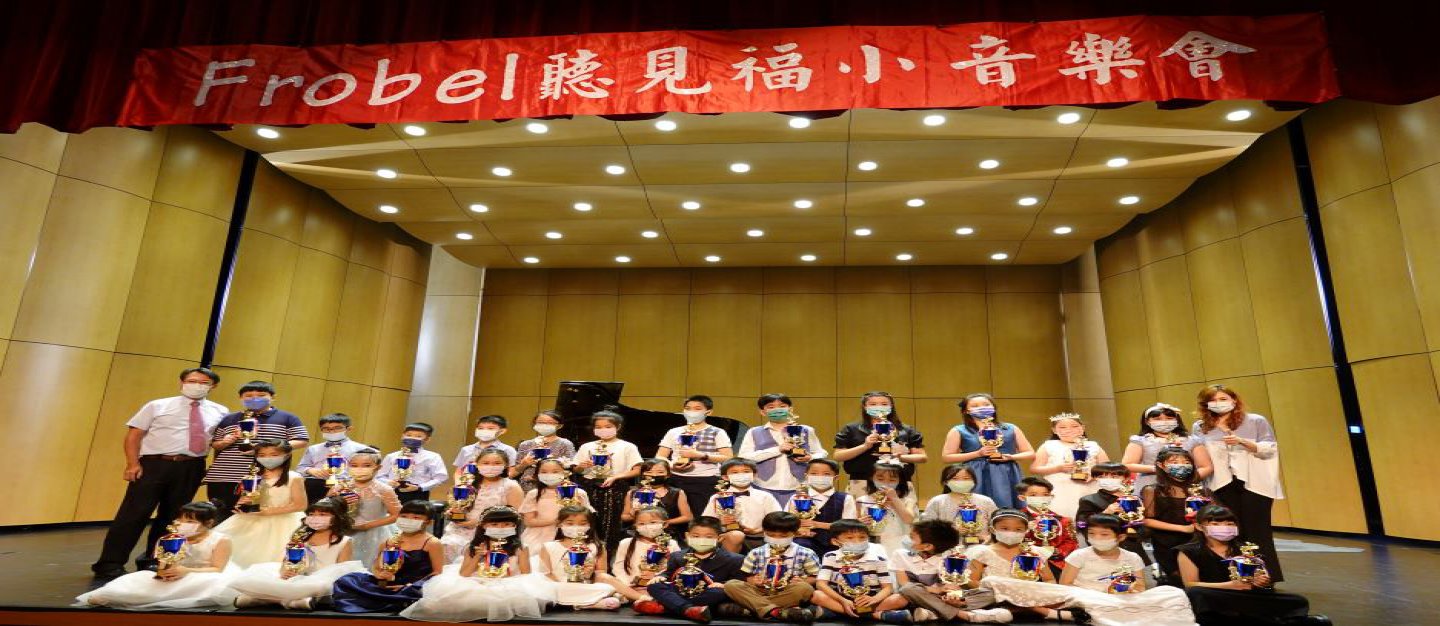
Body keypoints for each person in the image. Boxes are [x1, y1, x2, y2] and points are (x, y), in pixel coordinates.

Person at [92, 367, 228, 579]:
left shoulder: (220, 411)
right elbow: (134, 436)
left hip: (191, 466)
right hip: (154, 464)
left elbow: (218, 442)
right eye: (192, 381)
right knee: (133, 514)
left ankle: (155, 560)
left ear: (213, 386)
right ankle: (110, 563)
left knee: (173, 517)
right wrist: (132, 464)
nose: (197, 386)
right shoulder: (157, 405)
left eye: (204, 383)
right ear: (182, 382)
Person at [986, 514, 1197, 626]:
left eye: (1104, 535)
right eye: (1092, 534)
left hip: (1120, 596)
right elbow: (1066, 586)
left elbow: (1140, 584)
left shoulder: (1132, 557)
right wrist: (1097, 592)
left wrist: (1128, 589)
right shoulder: (1080, 555)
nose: (1097, 538)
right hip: (1085, 594)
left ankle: (1089, 613)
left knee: (1172, 592)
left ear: (1120, 537)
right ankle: (1075, 613)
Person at [1188, 385, 1285, 581]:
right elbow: (1198, 453)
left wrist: (1242, 441)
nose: (1218, 403)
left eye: (1223, 399)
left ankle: (1265, 576)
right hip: (1219, 483)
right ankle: (1234, 575)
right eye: (1213, 400)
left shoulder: (1255, 420)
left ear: (1234, 400)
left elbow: (1269, 448)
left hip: (1254, 483)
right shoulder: (1200, 426)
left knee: (1258, 531)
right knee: (1228, 530)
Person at [1178, 505, 1329, 625]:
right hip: (1216, 595)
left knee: (1297, 600)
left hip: (1247, 596)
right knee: (1197, 594)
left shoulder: (1246, 548)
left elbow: (1261, 576)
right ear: (1199, 527)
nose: (1224, 527)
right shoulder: (1189, 551)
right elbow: (1190, 584)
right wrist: (1230, 585)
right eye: (1215, 524)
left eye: (1229, 523)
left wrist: (1262, 581)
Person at [400, 505, 553, 622]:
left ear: (515, 526)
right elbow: (464, 574)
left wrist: (502, 582)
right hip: (477, 581)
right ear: (484, 526)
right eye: (494, 525)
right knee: (447, 602)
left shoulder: (521, 547)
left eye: (507, 524)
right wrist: (477, 557)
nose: (500, 528)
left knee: (502, 600)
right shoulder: (473, 547)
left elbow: (525, 573)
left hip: (509, 583)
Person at [78, 500, 236, 609]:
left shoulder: (220, 540)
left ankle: (135, 599)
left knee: (207, 584)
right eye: (180, 520)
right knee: (139, 579)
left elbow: (217, 568)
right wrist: (165, 572)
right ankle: (114, 596)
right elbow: (164, 564)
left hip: (203, 574)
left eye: (190, 522)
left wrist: (186, 571)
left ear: (208, 523)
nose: (182, 525)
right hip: (177, 574)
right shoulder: (170, 539)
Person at [229, 497, 365, 610]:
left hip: (322, 579)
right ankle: (292, 601)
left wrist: (320, 578)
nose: (316, 518)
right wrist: (285, 572)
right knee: (258, 576)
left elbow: (341, 569)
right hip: (298, 575)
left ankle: (262, 599)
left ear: (336, 518)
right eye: (312, 514)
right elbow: (287, 561)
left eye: (323, 515)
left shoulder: (344, 541)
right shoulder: (300, 537)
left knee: (320, 586)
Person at [204, 381, 309, 517]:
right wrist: (226, 441)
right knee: (221, 514)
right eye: (249, 396)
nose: (254, 399)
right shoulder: (229, 419)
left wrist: (266, 447)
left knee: (254, 515)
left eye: (261, 395)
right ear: (241, 398)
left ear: (273, 397)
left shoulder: (288, 418)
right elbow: (215, 444)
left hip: (265, 476)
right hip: (224, 475)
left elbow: (302, 440)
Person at [332, 500, 445, 613]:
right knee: (348, 580)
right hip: (388, 585)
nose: (408, 520)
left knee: (411, 594)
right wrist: (381, 575)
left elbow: (437, 572)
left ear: (428, 522)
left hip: (413, 588)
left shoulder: (432, 543)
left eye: (416, 517)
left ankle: (393, 600)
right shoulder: (388, 542)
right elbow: (377, 567)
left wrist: (411, 586)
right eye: (404, 516)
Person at [889, 518, 1009, 623]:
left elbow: (952, 586)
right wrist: (936, 590)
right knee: (908, 589)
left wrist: (955, 598)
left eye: (912, 538)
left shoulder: (948, 559)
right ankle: (963, 615)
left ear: (927, 546)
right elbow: (904, 584)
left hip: (939, 598)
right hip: (915, 596)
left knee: (990, 594)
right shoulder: (900, 554)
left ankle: (934, 613)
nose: (907, 540)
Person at [213, 439, 307, 568]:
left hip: (282, 521)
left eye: (274, 455)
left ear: (286, 455)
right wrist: (242, 504)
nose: (267, 458)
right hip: (251, 518)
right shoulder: (253, 475)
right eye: (262, 455)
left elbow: (300, 505)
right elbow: (245, 497)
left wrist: (268, 512)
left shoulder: (294, 477)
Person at [962, 509, 1066, 622]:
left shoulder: (1035, 552)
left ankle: (1027, 608)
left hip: (1029, 597)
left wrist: (1042, 593)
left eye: (1018, 529)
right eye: (1004, 529)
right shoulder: (982, 552)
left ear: (1026, 531)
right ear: (993, 529)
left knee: (1068, 594)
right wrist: (1004, 593)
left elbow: (1049, 580)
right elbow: (972, 581)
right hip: (994, 599)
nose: (1011, 532)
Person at [637, 516, 746, 622]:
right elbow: (669, 574)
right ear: (687, 536)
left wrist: (724, 585)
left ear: (720, 538)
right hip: (682, 590)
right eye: (696, 536)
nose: (702, 540)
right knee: (654, 586)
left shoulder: (735, 559)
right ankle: (688, 609)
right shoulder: (677, 556)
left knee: (721, 593)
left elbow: (739, 583)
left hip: (709, 592)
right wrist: (661, 576)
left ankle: (669, 607)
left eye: (708, 537)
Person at [720, 511, 821, 623]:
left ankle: (753, 610)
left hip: (788, 591)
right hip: (760, 590)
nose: (777, 538)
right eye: (771, 535)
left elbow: (816, 576)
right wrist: (755, 581)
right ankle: (777, 611)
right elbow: (748, 577)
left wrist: (803, 580)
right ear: (764, 533)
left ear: (795, 533)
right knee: (731, 585)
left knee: (805, 588)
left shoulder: (806, 553)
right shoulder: (756, 552)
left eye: (783, 536)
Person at [940, 394, 1034, 509]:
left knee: (1007, 508)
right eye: (975, 406)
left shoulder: (1010, 428)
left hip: (1007, 472)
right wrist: (977, 454)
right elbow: (947, 457)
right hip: (976, 473)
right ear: (966, 411)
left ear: (993, 407)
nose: (981, 408)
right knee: (976, 508)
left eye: (986, 404)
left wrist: (1011, 457)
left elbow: (1030, 453)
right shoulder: (959, 430)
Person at [832, 391, 928, 498]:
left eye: (884, 404)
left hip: (899, 482)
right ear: (865, 406)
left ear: (891, 406)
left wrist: (900, 457)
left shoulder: (906, 430)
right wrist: (864, 446)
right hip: (861, 482)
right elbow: (838, 456)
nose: (879, 407)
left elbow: (922, 457)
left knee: (901, 509)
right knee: (861, 509)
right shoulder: (851, 429)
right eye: (873, 404)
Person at [737, 393, 828, 505]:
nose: (777, 410)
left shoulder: (806, 430)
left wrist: (810, 457)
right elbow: (744, 457)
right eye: (771, 407)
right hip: (763, 486)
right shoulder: (754, 432)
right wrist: (777, 450)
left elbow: (821, 453)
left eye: (782, 406)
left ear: (790, 409)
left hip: (799, 486)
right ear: (762, 412)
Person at [572, 410, 644, 552]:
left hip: (616, 487)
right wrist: (582, 466)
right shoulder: (587, 446)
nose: (603, 429)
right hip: (589, 486)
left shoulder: (627, 446)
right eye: (598, 427)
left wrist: (616, 477)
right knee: (589, 520)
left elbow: (637, 470)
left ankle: (608, 555)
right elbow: (576, 469)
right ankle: (585, 552)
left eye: (608, 426)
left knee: (612, 524)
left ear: (618, 427)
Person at [811, 519, 907, 622]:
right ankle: (872, 615)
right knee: (816, 595)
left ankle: (840, 613)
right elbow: (821, 584)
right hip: (841, 598)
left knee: (900, 598)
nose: (857, 541)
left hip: (871, 600)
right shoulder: (830, 556)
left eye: (862, 537)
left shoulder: (878, 559)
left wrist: (874, 599)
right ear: (835, 541)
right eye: (850, 538)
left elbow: (887, 588)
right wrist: (842, 600)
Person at [657, 395, 734, 518]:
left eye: (697, 409)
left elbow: (728, 457)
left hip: (705, 480)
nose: (692, 412)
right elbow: (660, 456)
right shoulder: (674, 431)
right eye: (688, 408)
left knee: (701, 516)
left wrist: (701, 455)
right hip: (675, 479)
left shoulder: (717, 432)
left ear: (708, 412)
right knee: (675, 516)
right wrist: (672, 465)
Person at [441, 448, 523, 563]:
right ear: (477, 464)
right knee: (447, 545)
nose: (491, 466)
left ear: (506, 465)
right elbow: (458, 505)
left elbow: (515, 515)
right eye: (486, 463)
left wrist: (479, 523)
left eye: (497, 463)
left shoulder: (511, 486)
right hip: (460, 530)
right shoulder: (466, 484)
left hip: (493, 532)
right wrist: (453, 513)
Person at [1143, 448, 1212, 585]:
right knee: (1178, 580)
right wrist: (1183, 528)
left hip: (1199, 541)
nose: (1182, 465)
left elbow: (1218, 514)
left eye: (1186, 462)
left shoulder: (1202, 491)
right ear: (1161, 465)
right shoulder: (1153, 490)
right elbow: (1147, 520)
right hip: (1167, 542)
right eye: (1175, 462)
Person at [536, 506, 623, 610]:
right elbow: (546, 574)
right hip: (558, 585)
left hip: (584, 586)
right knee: (547, 590)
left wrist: (588, 573)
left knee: (607, 587)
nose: (576, 527)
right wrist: (562, 584)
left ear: (589, 525)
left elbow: (600, 574)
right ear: (559, 524)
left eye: (582, 524)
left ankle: (575, 602)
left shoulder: (596, 546)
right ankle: (588, 603)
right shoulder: (548, 546)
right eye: (570, 523)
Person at [1029, 412, 1108, 519]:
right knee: (1063, 515)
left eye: (1075, 426)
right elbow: (1034, 468)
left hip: (1089, 487)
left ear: (1083, 428)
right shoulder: (1049, 445)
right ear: (1054, 430)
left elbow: (1106, 467)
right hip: (1060, 488)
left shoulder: (1092, 445)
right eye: (1062, 427)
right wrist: (1058, 468)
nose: (1069, 430)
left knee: (1089, 516)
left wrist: (1094, 476)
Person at [598, 505, 682, 604]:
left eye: (653, 522)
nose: (647, 526)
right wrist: (629, 583)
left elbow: (675, 569)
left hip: (657, 585)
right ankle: (640, 598)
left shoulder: (671, 544)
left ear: (665, 524)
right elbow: (618, 568)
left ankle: (640, 599)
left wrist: (656, 576)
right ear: (635, 526)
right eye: (641, 524)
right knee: (604, 579)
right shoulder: (626, 543)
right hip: (629, 586)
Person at [1120, 403, 1213, 491]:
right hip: (1150, 486)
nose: (1164, 422)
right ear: (1147, 421)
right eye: (1157, 419)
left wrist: (1188, 479)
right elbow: (1128, 465)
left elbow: (1206, 467)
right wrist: (1159, 469)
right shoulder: (1140, 441)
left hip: (1186, 487)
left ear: (1177, 420)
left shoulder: (1192, 440)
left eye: (1169, 418)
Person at [1075, 462, 1150, 564]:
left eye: (1114, 476)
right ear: (1095, 478)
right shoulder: (1088, 500)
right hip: (1105, 549)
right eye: (1102, 476)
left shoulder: (1134, 499)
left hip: (1133, 547)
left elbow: (1144, 526)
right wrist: (1105, 513)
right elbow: (1081, 525)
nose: (1108, 480)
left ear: (1126, 478)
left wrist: (1137, 524)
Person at [703, 458, 783, 554]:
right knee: (735, 535)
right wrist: (720, 523)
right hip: (728, 537)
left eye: (746, 471)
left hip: (760, 537)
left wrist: (757, 530)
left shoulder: (765, 496)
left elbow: (778, 520)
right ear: (725, 477)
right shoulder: (717, 497)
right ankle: (732, 562)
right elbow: (705, 523)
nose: (741, 475)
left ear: (754, 475)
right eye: (735, 472)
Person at [341, 449, 401, 566]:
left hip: (373, 534)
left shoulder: (384, 489)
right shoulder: (340, 487)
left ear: (378, 467)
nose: (359, 469)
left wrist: (366, 526)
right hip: (343, 532)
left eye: (367, 465)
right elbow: (326, 510)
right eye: (354, 465)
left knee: (368, 565)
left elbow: (397, 515)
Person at [521, 458, 594, 552]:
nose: (549, 475)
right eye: (544, 472)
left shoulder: (578, 493)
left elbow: (587, 518)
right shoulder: (533, 494)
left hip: (571, 536)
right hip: (538, 538)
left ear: (564, 473)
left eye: (555, 472)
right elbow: (529, 521)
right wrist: (557, 521)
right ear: (537, 474)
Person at [296, 413, 371, 504]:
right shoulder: (313, 449)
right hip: (316, 485)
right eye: (326, 428)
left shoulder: (361, 449)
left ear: (349, 429)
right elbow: (300, 468)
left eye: (337, 428)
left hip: (346, 485)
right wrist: (310, 470)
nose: (331, 431)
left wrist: (345, 485)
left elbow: (368, 473)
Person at [791, 458, 859, 555]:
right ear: (806, 476)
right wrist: (798, 531)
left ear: (835, 478)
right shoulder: (797, 497)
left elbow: (849, 525)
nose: (820, 477)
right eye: (814, 473)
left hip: (836, 542)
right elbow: (788, 522)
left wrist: (817, 524)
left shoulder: (846, 498)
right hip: (804, 542)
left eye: (826, 474)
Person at [920, 464, 998, 546]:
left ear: (974, 481)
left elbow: (998, 524)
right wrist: (951, 531)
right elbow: (927, 528)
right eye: (955, 478)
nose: (961, 482)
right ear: (945, 482)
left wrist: (989, 537)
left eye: (966, 478)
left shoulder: (986, 501)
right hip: (947, 547)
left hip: (982, 547)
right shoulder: (937, 501)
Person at [1014, 477, 1078, 576]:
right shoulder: (1015, 518)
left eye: (1045, 495)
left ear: (1051, 496)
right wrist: (1025, 531)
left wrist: (1057, 551)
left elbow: (1071, 542)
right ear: (1022, 497)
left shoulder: (1063, 520)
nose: (1040, 498)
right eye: (1033, 495)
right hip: (1025, 562)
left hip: (1055, 564)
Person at [376, 423, 447, 505]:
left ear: (427, 439)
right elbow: (379, 476)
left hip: (418, 494)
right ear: (402, 436)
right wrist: (389, 482)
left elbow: (441, 477)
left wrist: (420, 487)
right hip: (391, 492)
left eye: (418, 436)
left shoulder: (432, 457)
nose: (412, 438)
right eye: (408, 435)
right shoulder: (392, 456)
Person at [857, 461, 918, 553]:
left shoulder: (908, 501)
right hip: (872, 545)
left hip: (900, 545)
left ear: (899, 480)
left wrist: (895, 498)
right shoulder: (862, 500)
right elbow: (854, 525)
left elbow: (908, 519)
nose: (886, 483)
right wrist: (859, 523)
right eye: (880, 479)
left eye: (892, 480)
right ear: (871, 478)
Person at [511, 410, 576, 492]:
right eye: (541, 422)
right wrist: (524, 464)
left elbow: (571, 467)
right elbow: (514, 472)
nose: (545, 425)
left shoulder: (565, 444)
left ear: (559, 425)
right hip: (528, 488)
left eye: (550, 423)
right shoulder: (525, 444)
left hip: (554, 489)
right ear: (535, 424)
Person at [621, 458, 694, 531]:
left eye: (660, 472)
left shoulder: (677, 493)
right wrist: (633, 514)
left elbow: (687, 517)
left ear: (668, 474)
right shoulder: (632, 493)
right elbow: (624, 517)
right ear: (642, 474)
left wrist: (664, 523)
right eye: (649, 472)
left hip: (668, 531)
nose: (654, 475)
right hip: (640, 530)